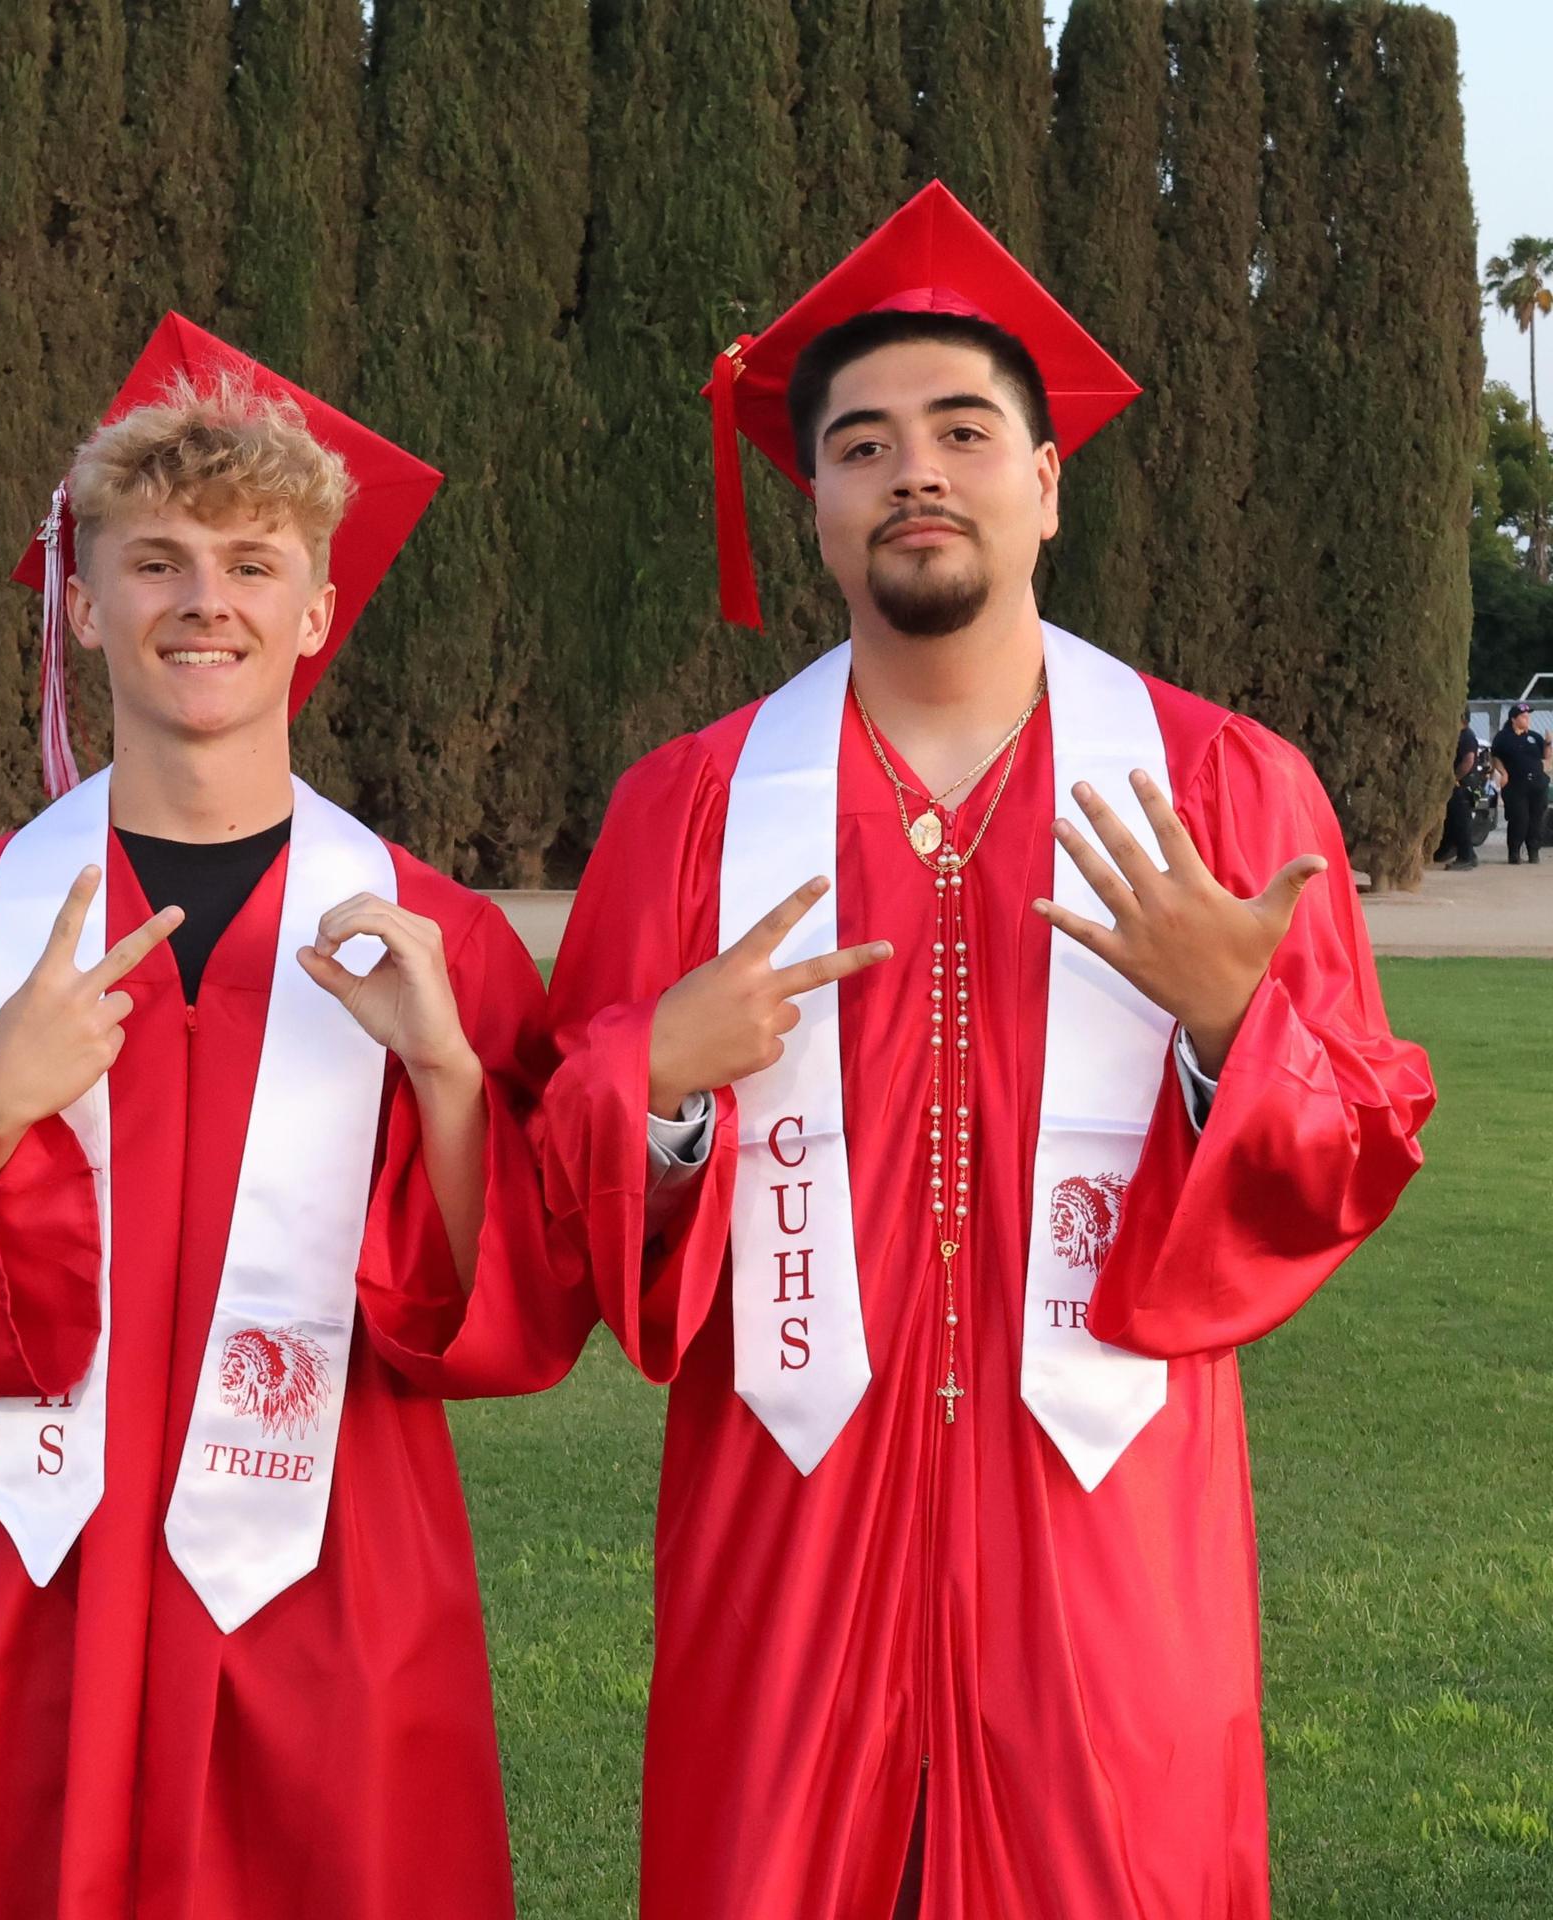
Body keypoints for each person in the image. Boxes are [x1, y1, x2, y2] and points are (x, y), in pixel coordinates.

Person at [541, 183, 1434, 1919]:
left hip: (1107, 1525)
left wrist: (1229, 1026)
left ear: (1046, 484)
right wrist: (652, 1083)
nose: (916, 472)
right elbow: (552, 1187)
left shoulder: (1223, 791)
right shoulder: (693, 813)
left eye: (965, 431)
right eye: (863, 445)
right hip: (786, 1535)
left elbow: (1346, 1149)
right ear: (814, 508)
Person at [0, 315, 588, 1920]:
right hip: (38, 1574)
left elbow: (520, 1314)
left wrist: (451, 1082)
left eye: (255, 563)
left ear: (319, 609)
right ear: (79, 601)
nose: (207, 599)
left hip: (334, 1569)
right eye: (158, 561)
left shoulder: (433, 938)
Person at [1489, 699, 1549, 864]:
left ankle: (1533, 851)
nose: (1526, 719)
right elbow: (1495, 757)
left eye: (1527, 716)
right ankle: (1514, 852)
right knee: (1519, 818)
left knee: (1537, 818)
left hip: (1537, 783)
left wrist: (1548, 743)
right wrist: (1503, 772)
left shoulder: (1533, 737)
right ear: (1513, 719)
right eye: (1523, 716)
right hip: (1516, 784)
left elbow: (1546, 757)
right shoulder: (1503, 737)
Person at [1435, 712, 1481, 869]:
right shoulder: (1459, 735)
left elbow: (1469, 760)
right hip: (1460, 784)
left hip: (1462, 786)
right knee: (1455, 822)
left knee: (1461, 823)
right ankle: (1469, 855)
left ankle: (1465, 858)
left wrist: (1455, 778)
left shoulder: (1466, 736)